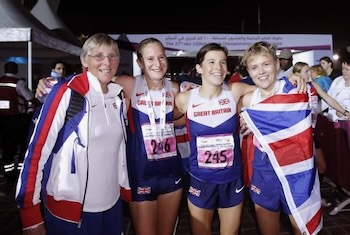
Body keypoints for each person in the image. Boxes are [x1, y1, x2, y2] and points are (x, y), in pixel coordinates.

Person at [175, 42, 305, 235]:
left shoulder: (235, 91)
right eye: (211, 62)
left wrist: (289, 77)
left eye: (222, 62)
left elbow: (267, 89)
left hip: (231, 179)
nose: (218, 68)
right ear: (199, 67)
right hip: (200, 179)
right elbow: (172, 121)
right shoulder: (184, 99)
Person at [15, 33, 130, 235]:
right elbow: (37, 151)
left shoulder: (118, 96)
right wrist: (30, 214)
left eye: (113, 55)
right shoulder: (67, 92)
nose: (107, 62)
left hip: (112, 206)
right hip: (70, 211)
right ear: (84, 60)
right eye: (99, 56)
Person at [239, 41, 323, 235]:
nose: (261, 71)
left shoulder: (296, 90)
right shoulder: (248, 100)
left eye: (266, 64)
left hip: (297, 168)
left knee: (301, 226)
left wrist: (293, 77)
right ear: (249, 72)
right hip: (264, 168)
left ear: (278, 65)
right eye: (254, 67)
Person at [113, 37, 184, 235]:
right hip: (140, 175)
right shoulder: (128, 84)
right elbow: (93, 81)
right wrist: (51, 83)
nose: (157, 63)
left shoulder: (175, 88)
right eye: (150, 58)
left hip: (172, 174)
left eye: (161, 57)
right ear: (140, 63)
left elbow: (178, 118)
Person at [0, 61, 35, 185]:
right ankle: (21, 172)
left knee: (7, 147)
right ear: (16, 70)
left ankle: (9, 175)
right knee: (23, 145)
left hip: (2, 120)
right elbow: (30, 97)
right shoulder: (18, 82)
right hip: (16, 119)